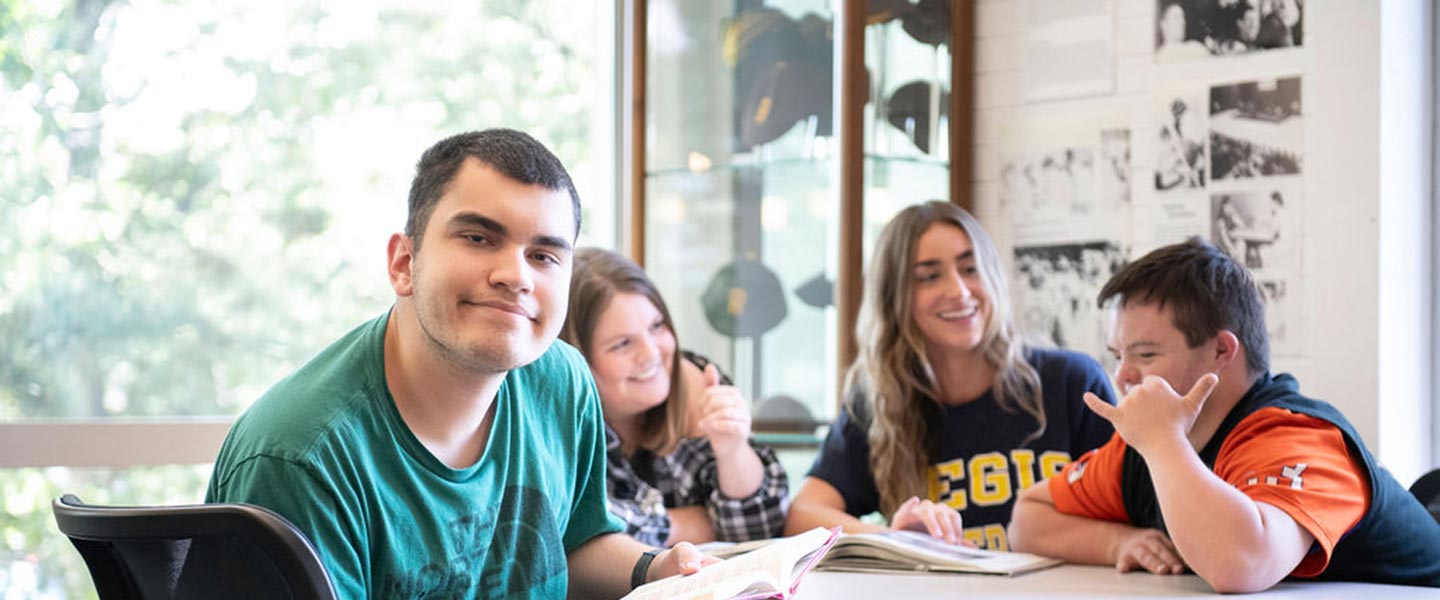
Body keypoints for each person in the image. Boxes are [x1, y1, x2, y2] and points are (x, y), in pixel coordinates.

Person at [205, 129, 712, 599]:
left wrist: (656, 569)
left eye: (544, 255)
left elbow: (573, 543)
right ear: (404, 264)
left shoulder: (563, 379)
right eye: (479, 238)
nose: (516, 276)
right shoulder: (301, 456)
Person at [1009, 238, 1440, 592]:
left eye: (1145, 354)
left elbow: (1240, 565)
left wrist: (1162, 444)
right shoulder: (1150, 445)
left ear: (1221, 351)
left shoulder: (1300, 436)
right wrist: (1116, 541)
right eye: (1118, 355)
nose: (1122, 375)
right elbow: (1027, 519)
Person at [784, 200, 1116, 551]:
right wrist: (900, 542)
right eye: (929, 277)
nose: (958, 290)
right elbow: (803, 515)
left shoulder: (1072, 383)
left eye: (971, 269)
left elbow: (1134, 507)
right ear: (893, 298)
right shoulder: (878, 402)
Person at [559, 247, 790, 548]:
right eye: (623, 344)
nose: (652, 354)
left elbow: (760, 529)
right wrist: (691, 524)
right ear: (577, 359)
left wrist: (731, 450)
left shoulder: (695, 382)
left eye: (657, 326)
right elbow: (579, 530)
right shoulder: (557, 414)